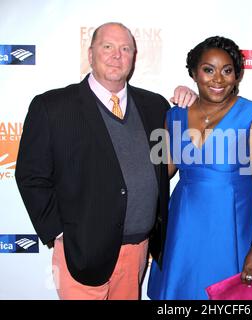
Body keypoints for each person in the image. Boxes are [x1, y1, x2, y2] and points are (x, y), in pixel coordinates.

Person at [14, 22, 192, 300]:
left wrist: (190, 103)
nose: (116, 55)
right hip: (81, 252)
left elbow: (163, 166)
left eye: (125, 49)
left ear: (134, 58)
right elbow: (30, 175)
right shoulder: (52, 106)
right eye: (107, 46)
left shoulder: (155, 106)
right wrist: (59, 233)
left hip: (138, 250)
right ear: (90, 53)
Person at [147, 36, 252, 300]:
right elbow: (164, 171)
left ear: (237, 76)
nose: (218, 79)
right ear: (194, 73)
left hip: (236, 228)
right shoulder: (174, 115)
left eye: (227, 71)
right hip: (185, 231)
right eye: (208, 70)